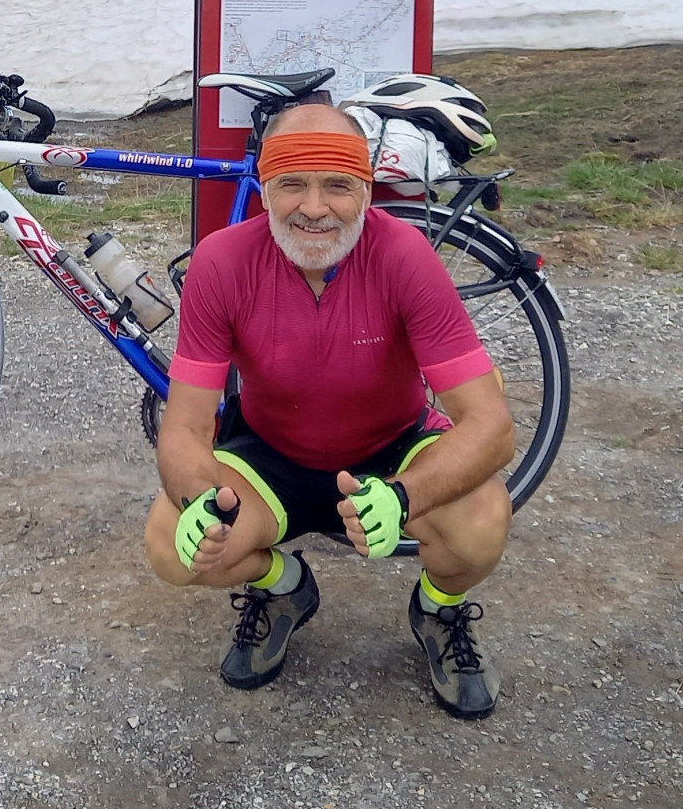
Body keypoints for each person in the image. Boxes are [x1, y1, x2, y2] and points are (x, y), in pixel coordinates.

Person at [142, 100, 515, 716]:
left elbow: (491, 427)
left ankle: (438, 607)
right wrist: (196, 500)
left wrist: (402, 497)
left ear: (366, 189)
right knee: (168, 546)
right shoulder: (221, 261)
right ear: (264, 187)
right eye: (292, 184)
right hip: (271, 457)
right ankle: (282, 588)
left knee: (481, 522)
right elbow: (184, 424)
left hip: (393, 450)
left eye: (338, 186)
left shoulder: (404, 256)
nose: (314, 209)